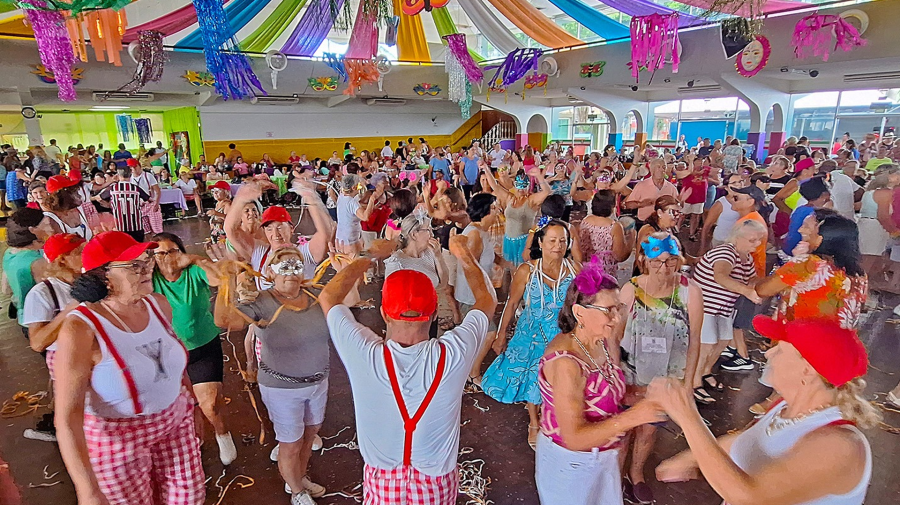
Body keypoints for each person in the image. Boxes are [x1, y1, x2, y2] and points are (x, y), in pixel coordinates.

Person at [319, 235, 496, 504]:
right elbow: (487, 300)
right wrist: (463, 253)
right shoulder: (453, 353)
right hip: (436, 485)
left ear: (384, 313)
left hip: (382, 484)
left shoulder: (363, 353)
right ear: (434, 314)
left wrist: (370, 255)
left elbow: (328, 297)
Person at [649, 317, 877, 505]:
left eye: (780, 349)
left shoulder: (840, 446)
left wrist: (687, 416)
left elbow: (749, 498)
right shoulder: (785, 407)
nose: (768, 354)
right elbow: (748, 440)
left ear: (807, 370)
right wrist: (690, 459)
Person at [55, 231, 205, 505]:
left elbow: (173, 364)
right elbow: (67, 417)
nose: (147, 269)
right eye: (134, 266)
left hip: (174, 422)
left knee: (189, 497)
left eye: (146, 261)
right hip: (118, 440)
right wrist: (87, 490)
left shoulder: (158, 304)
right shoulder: (81, 329)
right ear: (104, 277)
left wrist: (192, 405)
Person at [535, 260, 667, 505]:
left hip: (603, 456)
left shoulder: (600, 340)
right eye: (608, 310)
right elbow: (574, 438)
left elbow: (607, 389)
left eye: (618, 308)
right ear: (579, 313)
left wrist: (646, 393)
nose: (616, 318)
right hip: (571, 465)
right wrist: (633, 417)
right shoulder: (566, 362)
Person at [215, 247, 331, 504]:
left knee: (309, 437)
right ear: (269, 272)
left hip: (318, 383)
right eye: (283, 266)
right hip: (282, 388)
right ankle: (297, 493)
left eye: (296, 265)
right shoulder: (261, 301)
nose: (291, 271)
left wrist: (352, 262)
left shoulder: (315, 295)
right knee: (291, 444)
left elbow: (349, 299)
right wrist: (227, 280)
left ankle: (298, 479)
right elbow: (226, 321)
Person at [617, 232, 702, 504]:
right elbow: (614, 337)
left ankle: (636, 473)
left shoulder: (690, 292)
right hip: (630, 374)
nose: (664, 268)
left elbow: (695, 340)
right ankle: (615, 476)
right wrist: (613, 377)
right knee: (623, 430)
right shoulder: (630, 290)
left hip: (665, 377)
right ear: (644, 260)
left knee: (649, 429)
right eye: (657, 261)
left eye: (671, 261)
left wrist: (688, 384)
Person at [482, 220, 580, 448]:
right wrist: (501, 334)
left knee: (558, 379)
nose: (558, 246)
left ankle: (551, 417)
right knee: (532, 378)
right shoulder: (527, 271)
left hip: (562, 334)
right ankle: (534, 422)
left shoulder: (575, 270)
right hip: (530, 334)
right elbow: (512, 302)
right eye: (552, 241)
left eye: (563, 241)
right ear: (541, 242)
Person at [150, 232, 237, 466]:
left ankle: (222, 434)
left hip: (202, 344)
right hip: (168, 353)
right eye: (160, 254)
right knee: (181, 404)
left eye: (172, 251)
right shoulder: (151, 279)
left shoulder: (194, 271)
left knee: (211, 404)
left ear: (181, 252)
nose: (167, 258)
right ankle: (192, 437)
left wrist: (197, 259)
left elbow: (218, 279)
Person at [383, 213, 449, 338]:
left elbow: (443, 282)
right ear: (414, 234)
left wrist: (438, 256)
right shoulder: (397, 263)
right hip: (409, 323)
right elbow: (391, 303)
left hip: (430, 315)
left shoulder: (429, 253)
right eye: (428, 230)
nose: (432, 234)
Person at [482, 166, 549, 266]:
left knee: (523, 269)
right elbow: (495, 186)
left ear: (528, 186)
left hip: (524, 241)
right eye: (519, 185)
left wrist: (539, 176)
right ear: (515, 185)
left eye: (524, 186)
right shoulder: (510, 198)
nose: (521, 189)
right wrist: (486, 169)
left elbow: (546, 192)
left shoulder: (531, 200)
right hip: (508, 240)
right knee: (508, 268)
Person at [2, 208, 48, 336]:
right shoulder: (37, 263)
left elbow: (6, 290)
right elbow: (49, 294)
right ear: (33, 230)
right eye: (46, 225)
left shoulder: (9, 253)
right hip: (41, 319)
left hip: (23, 317)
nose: (50, 228)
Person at [858, 165, 899, 291]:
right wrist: (894, 232)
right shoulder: (884, 193)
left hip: (869, 225)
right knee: (869, 260)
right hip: (874, 227)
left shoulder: (872, 191)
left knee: (873, 260)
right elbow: (883, 216)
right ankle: (859, 287)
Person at [579, 190, 634, 275]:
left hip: (586, 272)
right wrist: (631, 239)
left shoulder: (585, 221)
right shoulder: (614, 226)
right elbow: (620, 256)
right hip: (605, 274)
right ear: (612, 207)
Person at [98, 165, 151, 242]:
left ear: (118, 175)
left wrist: (109, 205)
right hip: (136, 225)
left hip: (120, 226)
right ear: (130, 175)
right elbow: (149, 199)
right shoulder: (136, 188)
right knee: (137, 246)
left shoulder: (112, 188)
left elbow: (99, 198)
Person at [623, 158, 678, 229]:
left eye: (664, 167)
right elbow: (627, 205)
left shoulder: (671, 188)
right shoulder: (641, 185)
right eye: (658, 167)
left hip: (664, 226)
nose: (661, 170)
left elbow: (677, 207)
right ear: (652, 170)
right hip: (645, 223)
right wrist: (641, 204)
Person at [38, 175, 94, 240]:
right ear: (63, 195)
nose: (80, 195)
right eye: (75, 191)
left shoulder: (79, 209)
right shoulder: (50, 220)